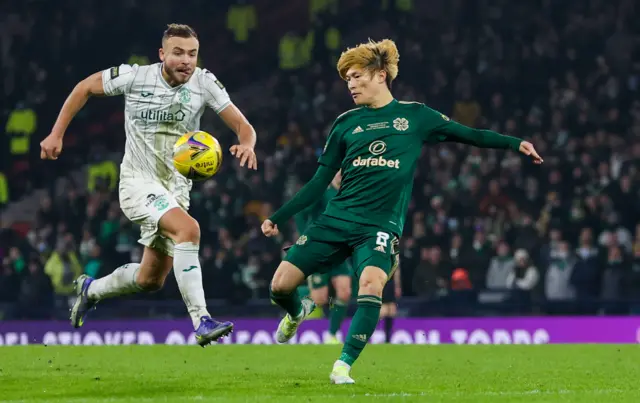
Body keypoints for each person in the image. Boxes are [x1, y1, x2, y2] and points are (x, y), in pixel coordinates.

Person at [261, 38, 543, 384]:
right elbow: (319, 182)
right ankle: (297, 312)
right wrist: (278, 216)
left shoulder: (415, 116)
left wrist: (515, 143)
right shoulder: (345, 124)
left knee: (371, 283)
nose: (350, 84)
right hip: (336, 219)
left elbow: (470, 135)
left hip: (379, 225)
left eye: (356, 76)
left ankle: (342, 366)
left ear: (380, 75)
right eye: (346, 79)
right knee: (279, 286)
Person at [39, 24, 258, 347]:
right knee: (189, 230)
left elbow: (243, 125)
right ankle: (202, 320)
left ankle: (91, 290)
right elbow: (84, 87)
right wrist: (57, 133)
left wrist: (247, 144)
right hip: (138, 183)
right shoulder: (135, 77)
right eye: (178, 53)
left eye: (192, 53)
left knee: (150, 279)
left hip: (176, 189)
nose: (186, 60)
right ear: (162, 54)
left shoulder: (204, 82)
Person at [290, 170, 351, 344]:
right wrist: (303, 236)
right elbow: (300, 211)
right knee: (320, 298)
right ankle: (292, 306)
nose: (341, 174)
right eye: (338, 171)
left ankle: (331, 335)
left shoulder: (349, 192)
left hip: (339, 251)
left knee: (345, 292)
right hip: (317, 250)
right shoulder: (322, 191)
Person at [380, 263, 401, 343]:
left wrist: (397, 286)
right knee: (383, 310)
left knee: (391, 310)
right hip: (381, 282)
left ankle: (387, 338)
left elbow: (397, 269)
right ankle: (365, 333)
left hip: (389, 283)